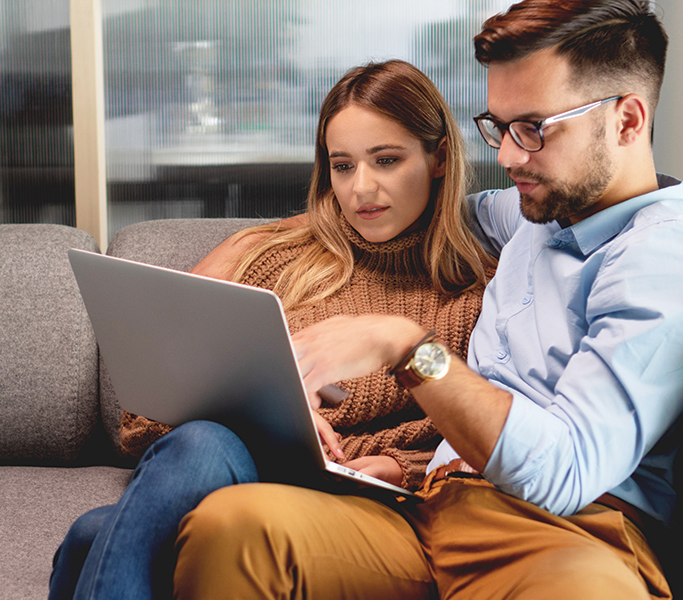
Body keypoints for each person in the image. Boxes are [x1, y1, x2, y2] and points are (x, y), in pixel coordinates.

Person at [171, 1, 683, 598]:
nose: (507, 157)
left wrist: (405, 344)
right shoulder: (536, 210)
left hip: (573, 532)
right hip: (433, 506)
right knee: (231, 527)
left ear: (626, 121)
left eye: (534, 129)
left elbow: (563, 471)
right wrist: (252, 247)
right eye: (500, 127)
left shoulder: (659, 261)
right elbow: (412, 206)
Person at [48, 59, 495, 600]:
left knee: (90, 537)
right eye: (343, 165)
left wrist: (395, 466)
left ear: (439, 157)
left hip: (354, 507)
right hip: (224, 469)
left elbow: (481, 440)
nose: (362, 188)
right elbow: (144, 415)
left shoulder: (477, 296)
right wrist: (271, 419)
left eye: (387, 160)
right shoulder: (276, 261)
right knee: (201, 443)